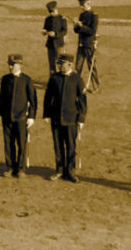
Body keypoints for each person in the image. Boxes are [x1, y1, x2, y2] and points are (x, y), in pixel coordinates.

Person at [43, 53, 87, 183]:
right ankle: (59, 170)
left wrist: (81, 119)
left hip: (71, 118)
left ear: (69, 64)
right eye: (59, 64)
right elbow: (48, 97)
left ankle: (71, 171)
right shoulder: (54, 78)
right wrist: (46, 114)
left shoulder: (77, 79)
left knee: (71, 146)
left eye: (61, 64)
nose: (59, 66)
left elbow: (82, 101)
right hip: (56, 118)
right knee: (58, 145)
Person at [0, 54, 37, 178]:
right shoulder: (5, 79)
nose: (10, 67)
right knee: (8, 143)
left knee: (21, 143)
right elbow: (2, 98)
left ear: (20, 65)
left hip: (21, 118)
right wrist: (0, 114)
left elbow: (33, 100)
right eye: (9, 64)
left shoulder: (27, 80)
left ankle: (21, 168)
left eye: (12, 64)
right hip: (7, 116)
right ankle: (10, 167)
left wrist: (31, 117)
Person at [73, 0, 100, 93]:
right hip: (81, 44)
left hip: (89, 44)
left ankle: (96, 86)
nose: (81, 7)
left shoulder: (94, 16)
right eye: (80, 5)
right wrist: (76, 26)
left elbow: (92, 31)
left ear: (88, 4)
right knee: (78, 66)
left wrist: (82, 26)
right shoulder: (82, 15)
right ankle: (77, 85)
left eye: (83, 5)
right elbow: (76, 30)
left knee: (91, 66)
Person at [42, 1, 67, 74]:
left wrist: (55, 34)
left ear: (56, 9)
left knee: (60, 63)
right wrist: (44, 32)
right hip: (50, 44)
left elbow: (65, 31)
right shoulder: (47, 19)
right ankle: (52, 80)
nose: (52, 14)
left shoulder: (62, 19)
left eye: (53, 12)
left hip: (59, 44)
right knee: (51, 64)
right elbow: (45, 28)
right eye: (50, 12)